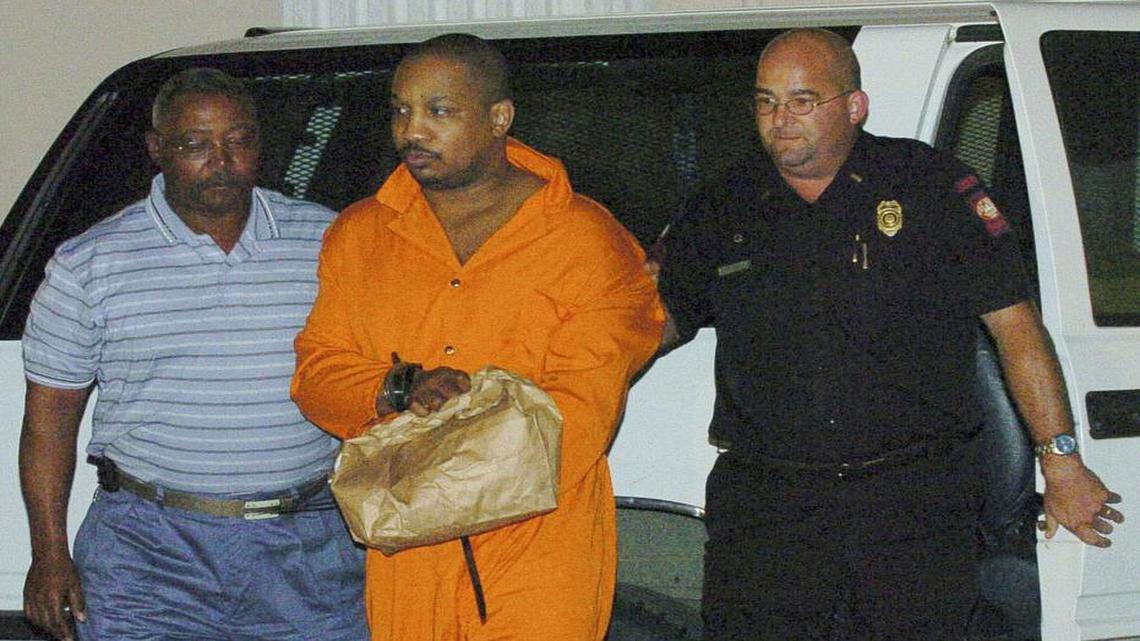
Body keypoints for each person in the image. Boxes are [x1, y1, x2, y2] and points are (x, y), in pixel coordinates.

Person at [653, 28, 1125, 641]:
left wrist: (1060, 464)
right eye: (766, 101)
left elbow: (1016, 328)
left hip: (911, 503)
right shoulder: (723, 204)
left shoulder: (929, 187)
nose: (779, 119)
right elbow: (657, 321)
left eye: (802, 101)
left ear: (854, 106)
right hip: (769, 509)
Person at [291, 33, 662, 641]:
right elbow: (316, 375)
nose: (413, 130)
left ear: (499, 118)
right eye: (400, 110)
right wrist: (400, 387)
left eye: (439, 111)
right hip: (407, 547)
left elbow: (581, 414)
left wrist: (451, 453)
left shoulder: (587, 241)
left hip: (535, 539)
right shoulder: (359, 234)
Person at [19, 68, 368, 641]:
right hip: (147, 555)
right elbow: (50, 422)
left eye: (238, 141)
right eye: (194, 144)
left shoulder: (328, 241)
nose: (221, 161)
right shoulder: (90, 263)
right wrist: (49, 555)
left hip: (309, 550)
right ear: (157, 150)